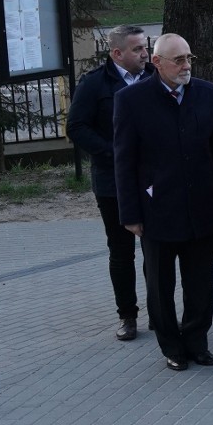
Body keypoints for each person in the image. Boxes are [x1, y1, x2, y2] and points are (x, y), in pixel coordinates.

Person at [113, 32, 213, 371]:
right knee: (160, 285)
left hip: (202, 208)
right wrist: (130, 214)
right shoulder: (132, 100)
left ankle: (197, 341)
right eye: (178, 60)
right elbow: (125, 161)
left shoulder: (207, 94)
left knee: (200, 282)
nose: (186, 66)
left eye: (189, 58)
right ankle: (172, 346)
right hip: (157, 209)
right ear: (157, 63)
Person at [66, 24, 152, 341]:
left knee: (155, 248)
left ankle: (158, 309)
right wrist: (112, 152)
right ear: (117, 53)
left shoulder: (154, 77)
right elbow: (76, 127)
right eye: (137, 49)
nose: (145, 53)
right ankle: (127, 316)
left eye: (146, 47)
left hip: (151, 180)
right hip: (112, 182)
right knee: (121, 251)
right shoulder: (94, 84)